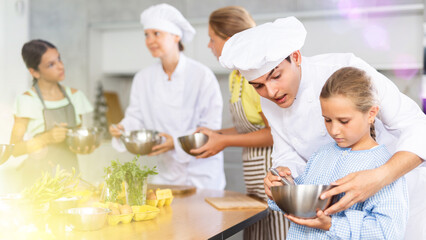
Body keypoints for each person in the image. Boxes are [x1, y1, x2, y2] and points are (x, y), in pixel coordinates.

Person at [219, 17, 426, 239]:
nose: (271, 92)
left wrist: (380, 176)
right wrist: (280, 178)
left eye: (276, 76)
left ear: (296, 57)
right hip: (327, 215)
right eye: (258, 86)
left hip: (395, 193)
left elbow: (416, 125)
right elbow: (288, 154)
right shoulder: (318, 153)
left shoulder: (347, 70)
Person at [268, 66, 408, 239]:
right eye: (327, 120)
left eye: (344, 121)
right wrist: (280, 189)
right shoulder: (322, 154)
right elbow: (303, 200)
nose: (334, 130)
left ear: (371, 114)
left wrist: (331, 225)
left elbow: (387, 232)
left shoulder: (383, 167)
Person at [192, 6, 287, 239]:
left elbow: (275, 132)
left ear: (230, 40)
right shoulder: (237, 76)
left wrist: (224, 142)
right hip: (255, 184)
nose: (209, 45)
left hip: (273, 177)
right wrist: (216, 134)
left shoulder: (257, 77)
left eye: (212, 39)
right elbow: (249, 126)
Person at [109, 3, 225, 190]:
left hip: (202, 173)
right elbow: (136, 117)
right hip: (165, 174)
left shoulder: (202, 75)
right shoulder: (143, 78)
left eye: (157, 33)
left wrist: (176, 143)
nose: (150, 40)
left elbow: (210, 128)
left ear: (176, 36)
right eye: (146, 34)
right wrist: (123, 128)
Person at [10, 39, 93, 191]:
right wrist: (47, 138)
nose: (60, 66)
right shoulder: (27, 100)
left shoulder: (75, 96)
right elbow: (14, 149)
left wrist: (85, 146)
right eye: (51, 64)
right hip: (37, 182)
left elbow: (77, 143)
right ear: (34, 72)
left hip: (70, 180)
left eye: (59, 59)